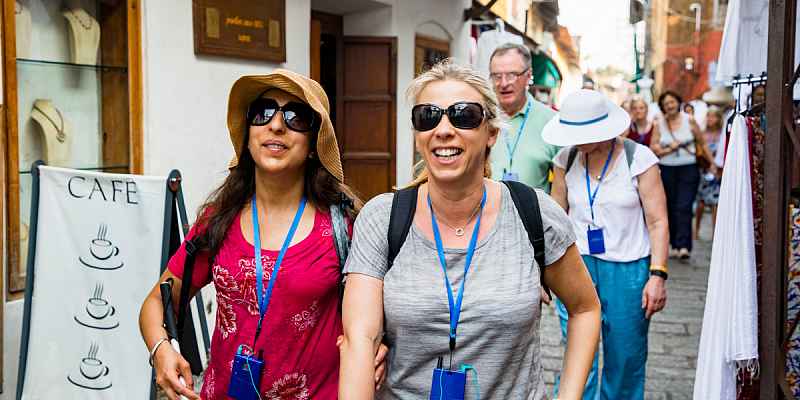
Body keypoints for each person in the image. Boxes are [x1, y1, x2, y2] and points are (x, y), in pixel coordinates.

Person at [338, 60, 601, 399]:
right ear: (418, 135)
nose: (443, 129)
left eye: (463, 115)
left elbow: (584, 309)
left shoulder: (534, 213)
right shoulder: (381, 218)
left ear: (491, 133)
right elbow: (360, 339)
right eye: (428, 116)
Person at [138, 69, 386, 399]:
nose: (276, 125)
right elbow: (157, 299)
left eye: (296, 117)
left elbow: (385, 316)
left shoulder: (346, 227)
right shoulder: (218, 220)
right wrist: (161, 350)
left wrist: (381, 343)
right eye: (263, 113)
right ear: (248, 134)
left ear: (314, 144)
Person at [546, 89, 669, 400]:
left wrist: (658, 275)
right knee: (578, 353)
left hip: (628, 269)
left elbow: (658, 222)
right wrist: (544, 270)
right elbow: (557, 215)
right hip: (576, 266)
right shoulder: (566, 159)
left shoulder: (639, 159)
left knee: (625, 355)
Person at [650, 91, 715, 260]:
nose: (669, 106)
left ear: (678, 102)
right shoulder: (659, 124)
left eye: (671, 102)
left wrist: (712, 163)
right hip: (666, 169)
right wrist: (669, 148)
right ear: (662, 107)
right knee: (670, 206)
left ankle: (684, 245)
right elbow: (653, 148)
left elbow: (702, 142)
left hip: (688, 168)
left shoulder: (689, 120)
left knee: (684, 206)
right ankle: (673, 245)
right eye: (666, 104)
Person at [487, 42, 560, 191]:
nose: (503, 83)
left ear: (528, 76)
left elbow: (563, 187)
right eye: (496, 76)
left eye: (512, 75)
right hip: (486, 212)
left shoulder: (552, 122)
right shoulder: (480, 118)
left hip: (535, 213)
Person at [694, 107, 724, 240]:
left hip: (717, 171)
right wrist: (710, 164)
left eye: (714, 116)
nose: (711, 119)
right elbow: (699, 151)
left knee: (715, 203)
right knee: (700, 202)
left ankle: (715, 233)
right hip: (704, 170)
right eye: (709, 116)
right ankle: (696, 229)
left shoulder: (722, 134)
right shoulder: (702, 133)